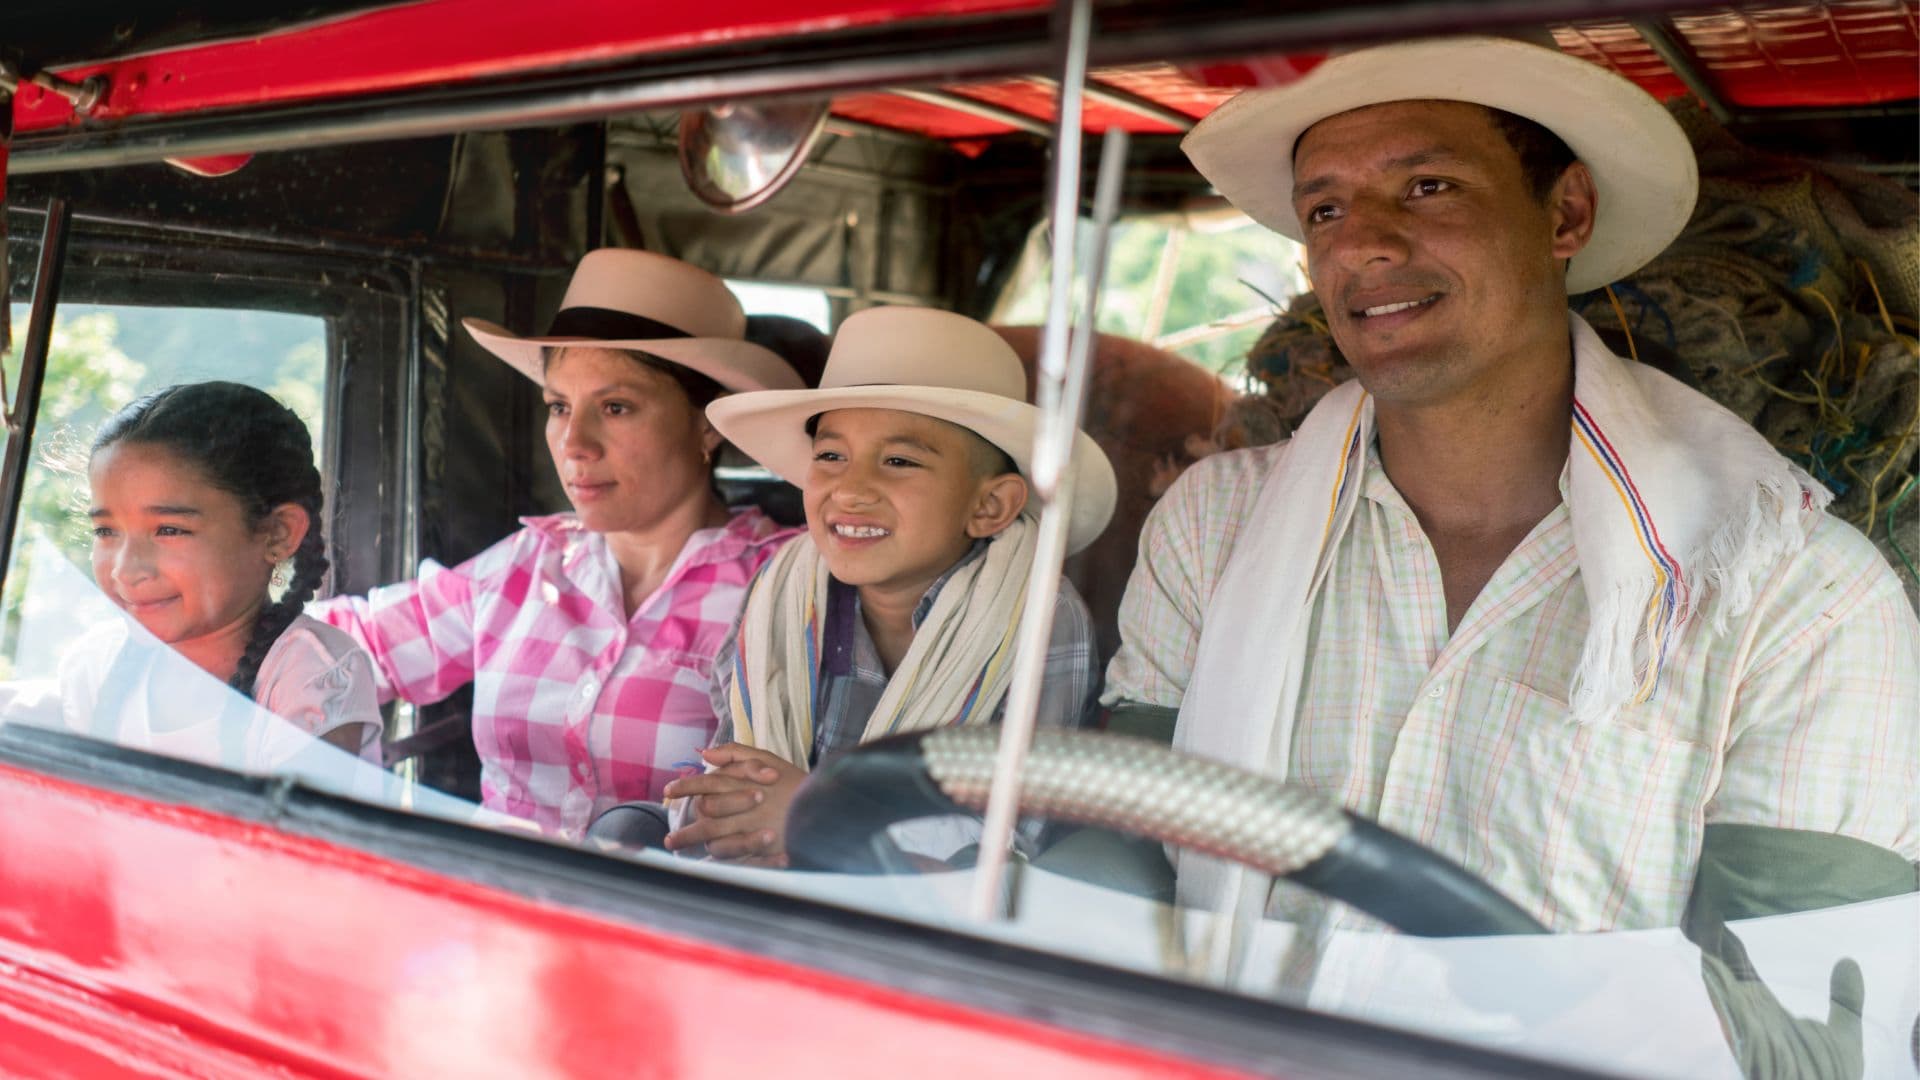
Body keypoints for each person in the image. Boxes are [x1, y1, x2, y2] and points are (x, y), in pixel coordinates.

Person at [1103, 35, 1919, 932]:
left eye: (1428, 186)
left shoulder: (1796, 599)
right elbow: (1116, 864)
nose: (1363, 245)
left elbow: (1784, 1025)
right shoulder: (1212, 523)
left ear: (1565, 215)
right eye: (1325, 209)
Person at [316, 249, 806, 838]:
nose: (574, 444)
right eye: (558, 407)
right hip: (493, 902)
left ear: (707, 425)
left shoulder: (786, 585)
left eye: (616, 407)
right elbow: (354, 646)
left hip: (676, 919)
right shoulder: (534, 562)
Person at [659, 306, 1117, 866]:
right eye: (830, 455)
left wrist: (816, 817)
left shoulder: (1037, 616)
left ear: (990, 505)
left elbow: (1014, 840)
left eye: (898, 460)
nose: (850, 490)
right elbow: (732, 775)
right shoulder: (780, 594)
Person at [68, 381, 383, 767]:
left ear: (277, 533)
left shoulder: (313, 676)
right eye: (106, 531)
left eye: (169, 530)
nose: (125, 569)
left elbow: (288, 824)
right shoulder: (95, 663)